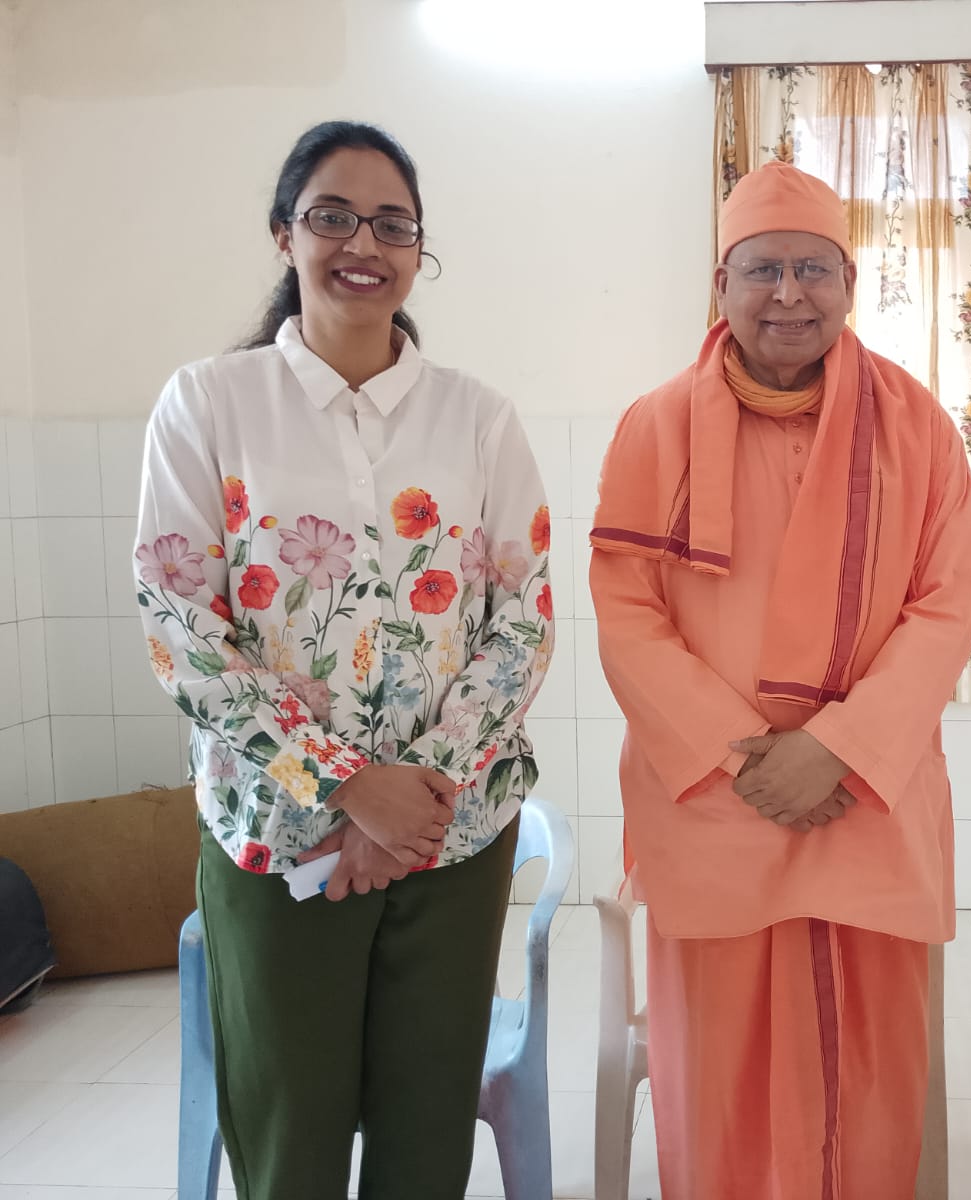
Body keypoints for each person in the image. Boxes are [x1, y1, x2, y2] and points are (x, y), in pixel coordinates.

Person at [134, 120, 555, 1199]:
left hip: (453, 840)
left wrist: (414, 798)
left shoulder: (479, 419)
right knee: (291, 1136)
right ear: (285, 234)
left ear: (419, 252)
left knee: (426, 1135)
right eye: (333, 215)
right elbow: (180, 624)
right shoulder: (209, 404)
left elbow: (523, 620)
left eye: (392, 224)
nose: (363, 243)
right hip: (279, 841)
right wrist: (344, 783)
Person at [589, 161, 971, 1199]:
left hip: (864, 802)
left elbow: (946, 606)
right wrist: (752, 762)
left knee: (871, 1081)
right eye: (763, 269)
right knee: (721, 1082)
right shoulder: (653, 427)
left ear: (851, 283)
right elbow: (626, 614)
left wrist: (837, 751)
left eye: (814, 269)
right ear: (721, 285)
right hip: (718, 804)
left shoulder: (920, 427)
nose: (789, 294)